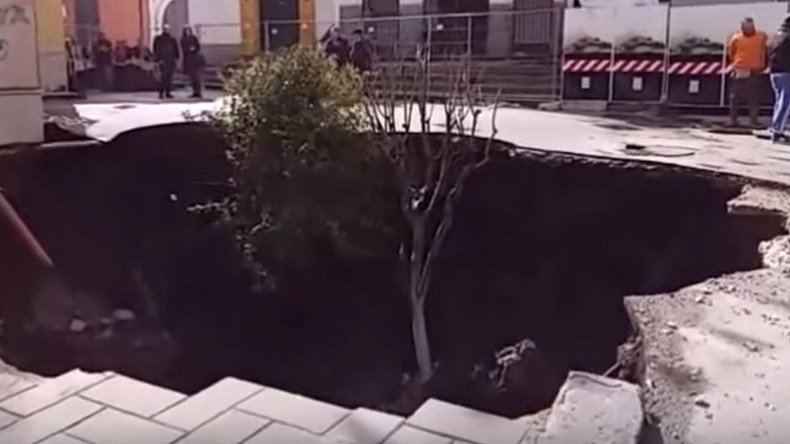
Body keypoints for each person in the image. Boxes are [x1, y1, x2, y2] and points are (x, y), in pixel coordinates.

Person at [727, 17, 768, 128]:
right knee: (735, 97)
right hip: (740, 69)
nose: (747, 28)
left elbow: (765, 50)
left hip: (754, 70)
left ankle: (753, 120)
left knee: (753, 97)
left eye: (749, 26)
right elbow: (731, 53)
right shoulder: (736, 38)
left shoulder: (761, 37)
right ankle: (733, 120)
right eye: (745, 26)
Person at [768, 16, 790, 142]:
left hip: (774, 72)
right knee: (785, 103)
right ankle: (777, 132)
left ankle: (775, 127)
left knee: (779, 102)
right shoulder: (788, 38)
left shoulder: (774, 37)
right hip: (787, 72)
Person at [153, 25, 179, 99]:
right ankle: (161, 93)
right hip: (162, 61)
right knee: (163, 78)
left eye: (167, 29)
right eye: (165, 29)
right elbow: (156, 49)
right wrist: (158, 59)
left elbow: (176, 49)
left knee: (169, 77)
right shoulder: (159, 39)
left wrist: (176, 58)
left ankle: (168, 92)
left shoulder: (172, 39)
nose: (166, 30)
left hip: (170, 61)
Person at [181, 27, 204, 98]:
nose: (187, 32)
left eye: (188, 30)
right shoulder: (183, 39)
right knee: (192, 77)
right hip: (188, 60)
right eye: (186, 31)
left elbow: (198, 47)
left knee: (197, 77)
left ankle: (198, 92)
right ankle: (195, 92)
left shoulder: (194, 38)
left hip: (195, 60)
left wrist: (193, 49)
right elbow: (184, 49)